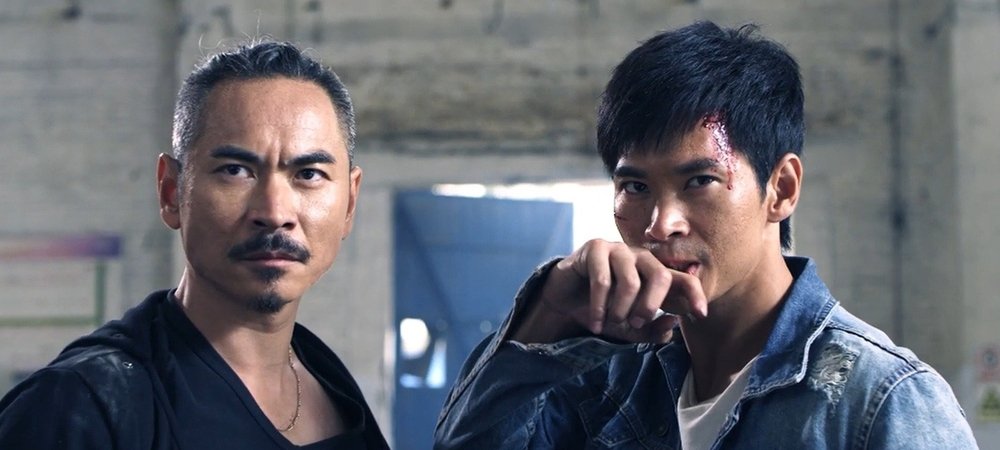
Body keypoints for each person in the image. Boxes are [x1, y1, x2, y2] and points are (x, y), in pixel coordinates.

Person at [435, 21, 978, 449]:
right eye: (635, 187)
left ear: (781, 189)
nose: (660, 224)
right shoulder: (605, 384)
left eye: (699, 181)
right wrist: (548, 313)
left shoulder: (882, 400)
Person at [0, 40, 389, 449]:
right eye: (236, 170)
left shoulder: (331, 384)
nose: (275, 213)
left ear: (349, 202)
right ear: (171, 192)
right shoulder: (83, 405)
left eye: (308, 174)